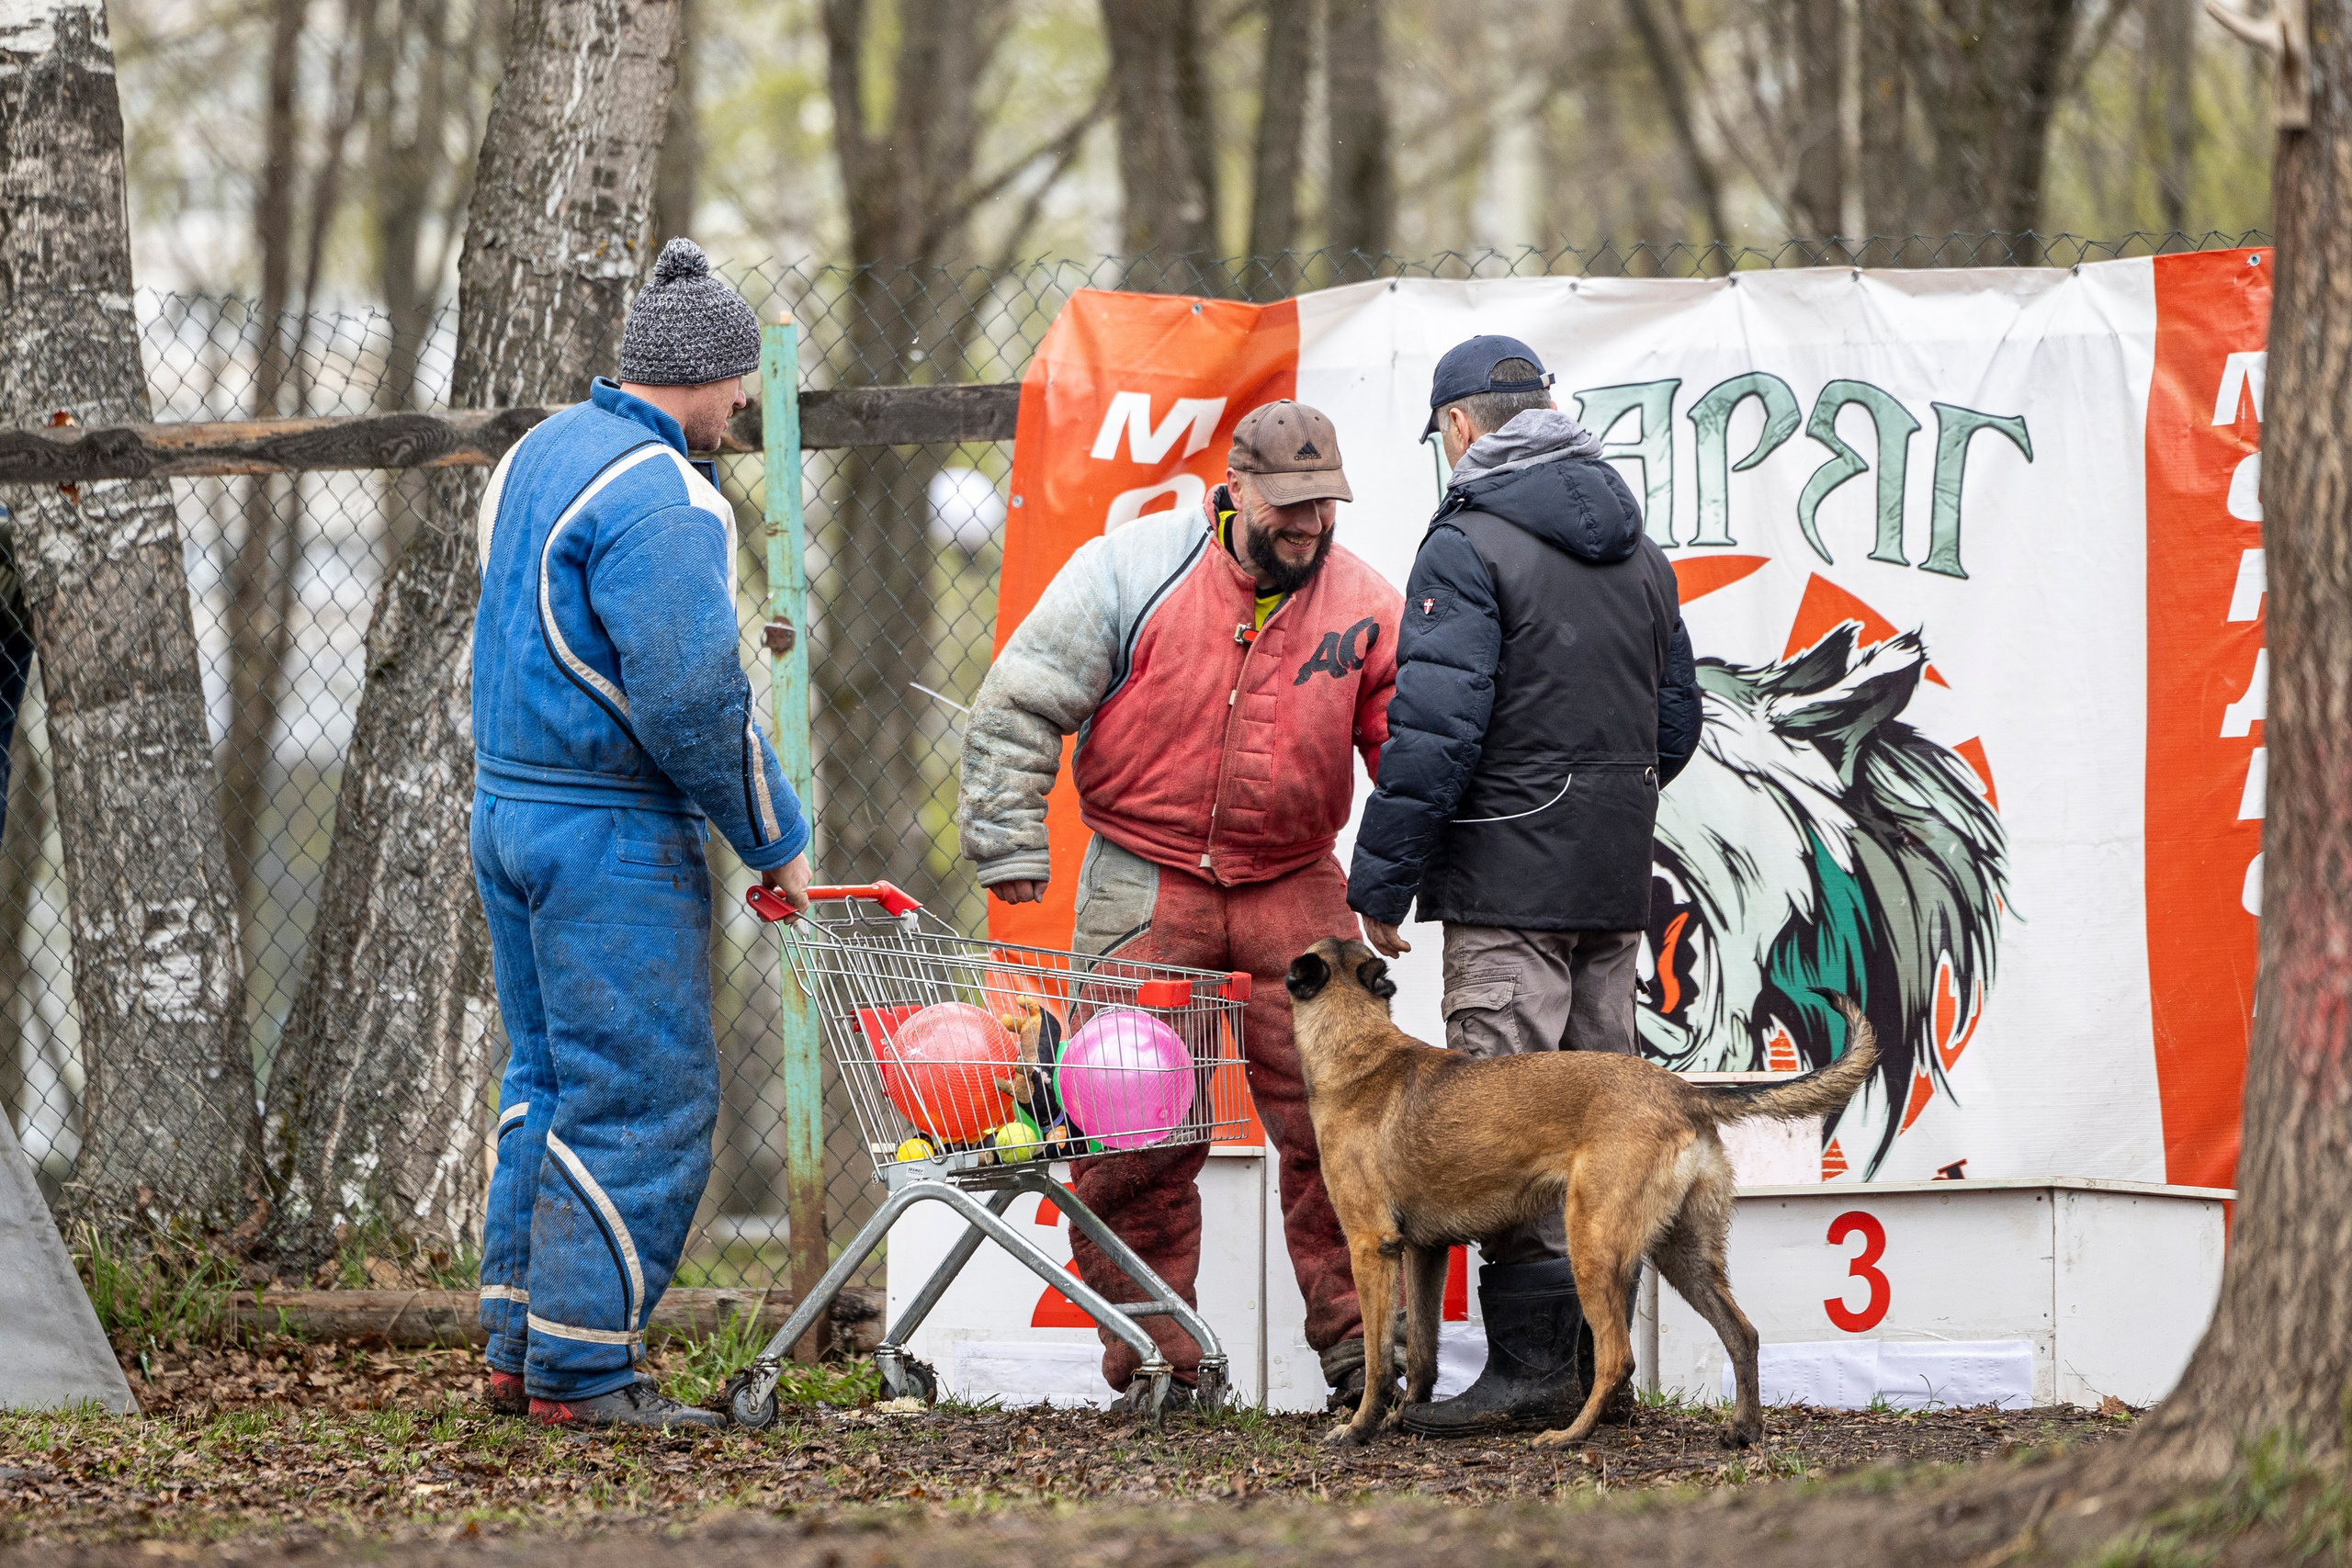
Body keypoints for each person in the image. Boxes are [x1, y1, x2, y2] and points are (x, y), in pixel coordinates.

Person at [958, 400, 1401, 1412]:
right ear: (1234, 487)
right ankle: (1156, 1357)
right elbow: (1020, 700)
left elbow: (1409, 758)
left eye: (1323, 505)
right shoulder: (1130, 569)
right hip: (1144, 875)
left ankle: (1368, 1353)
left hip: (1296, 877)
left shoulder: (1365, 601)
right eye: (1288, 505)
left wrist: (1391, 880)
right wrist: (1007, 840)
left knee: (1350, 1120)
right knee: (1130, 1132)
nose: (1308, 525)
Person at [469, 238, 813, 1432]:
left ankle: (519, 1343)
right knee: (645, 1093)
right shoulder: (666, 496)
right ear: (709, 374)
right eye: (735, 388)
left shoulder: (535, 456)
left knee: (550, 1080)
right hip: (606, 833)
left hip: (507, 809)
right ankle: (583, 1370)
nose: (735, 411)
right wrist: (775, 836)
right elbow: (689, 698)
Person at [1347, 335, 1699, 1437]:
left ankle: (1533, 1376)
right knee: (1596, 1130)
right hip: (1610, 878)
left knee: (1501, 1124)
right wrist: (1596, 804)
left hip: (1506, 881)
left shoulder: (1467, 540)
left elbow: (1434, 731)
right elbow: (1675, 723)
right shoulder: (1636, 548)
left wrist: (1381, 881)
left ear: (1459, 426)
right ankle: (1604, 1375)